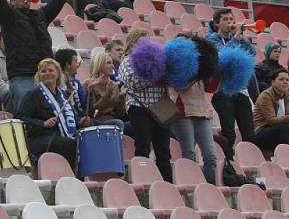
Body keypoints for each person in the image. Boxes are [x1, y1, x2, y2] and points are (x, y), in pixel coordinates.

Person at [119, 29, 172, 181]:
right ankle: (143, 181)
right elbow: (133, 83)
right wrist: (155, 76)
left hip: (163, 104)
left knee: (164, 150)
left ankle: (167, 185)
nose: (147, 44)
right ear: (133, 42)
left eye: (148, 40)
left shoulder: (159, 58)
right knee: (143, 146)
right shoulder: (127, 61)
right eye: (143, 41)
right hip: (139, 106)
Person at [206, 8, 256, 160]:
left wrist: (241, 38)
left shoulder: (238, 39)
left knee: (249, 133)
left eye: (231, 19)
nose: (230, 23)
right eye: (225, 20)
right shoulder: (211, 39)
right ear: (216, 24)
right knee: (229, 132)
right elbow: (221, 56)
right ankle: (228, 161)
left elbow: (252, 53)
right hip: (222, 91)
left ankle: (250, 161)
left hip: (240, 91)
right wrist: (235, 38)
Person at [166, 47, 218, 184]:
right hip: (183, 113)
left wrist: (217, 72)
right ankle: (191, 187)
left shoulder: (199, 68)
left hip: (202, 113)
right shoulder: (174, 68)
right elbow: (181, 86)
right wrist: (198, 74)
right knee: (189, 154)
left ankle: (211, 188)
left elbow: (211, 88)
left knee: (211, 156)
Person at [17, 58, 79, 169]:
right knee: (69, 144)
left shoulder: (63, 95)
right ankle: (74, 177)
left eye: (51, 70)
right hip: (42, 138)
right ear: (39, 75)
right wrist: (43, 124)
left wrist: (82, 121)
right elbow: (21, 118)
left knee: (84, 140)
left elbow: (71, 118)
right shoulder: (32, 95)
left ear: (58, 74)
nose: (47, 74)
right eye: (43, 71)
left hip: (61, 135)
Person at [83, 53, 125, 129]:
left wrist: (121, 99)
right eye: (108, 63)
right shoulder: (89, 84)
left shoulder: (114, 85)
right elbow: (91, 112)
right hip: (96, 121)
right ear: (100, 65)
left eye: (112, 63)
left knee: (137, 123)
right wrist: (106, 97)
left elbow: (120, 114)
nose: (112, 66)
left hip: (113, 120)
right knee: (118, 123)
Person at [54, 48, 92, 129]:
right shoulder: (56, 85)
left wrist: (90, 90)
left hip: (83, 120)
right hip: (69, 124)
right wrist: (78, 120)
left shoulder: (76, 83)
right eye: (75, 62)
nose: (78, 64)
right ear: (68, 65)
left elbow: (84, 105)